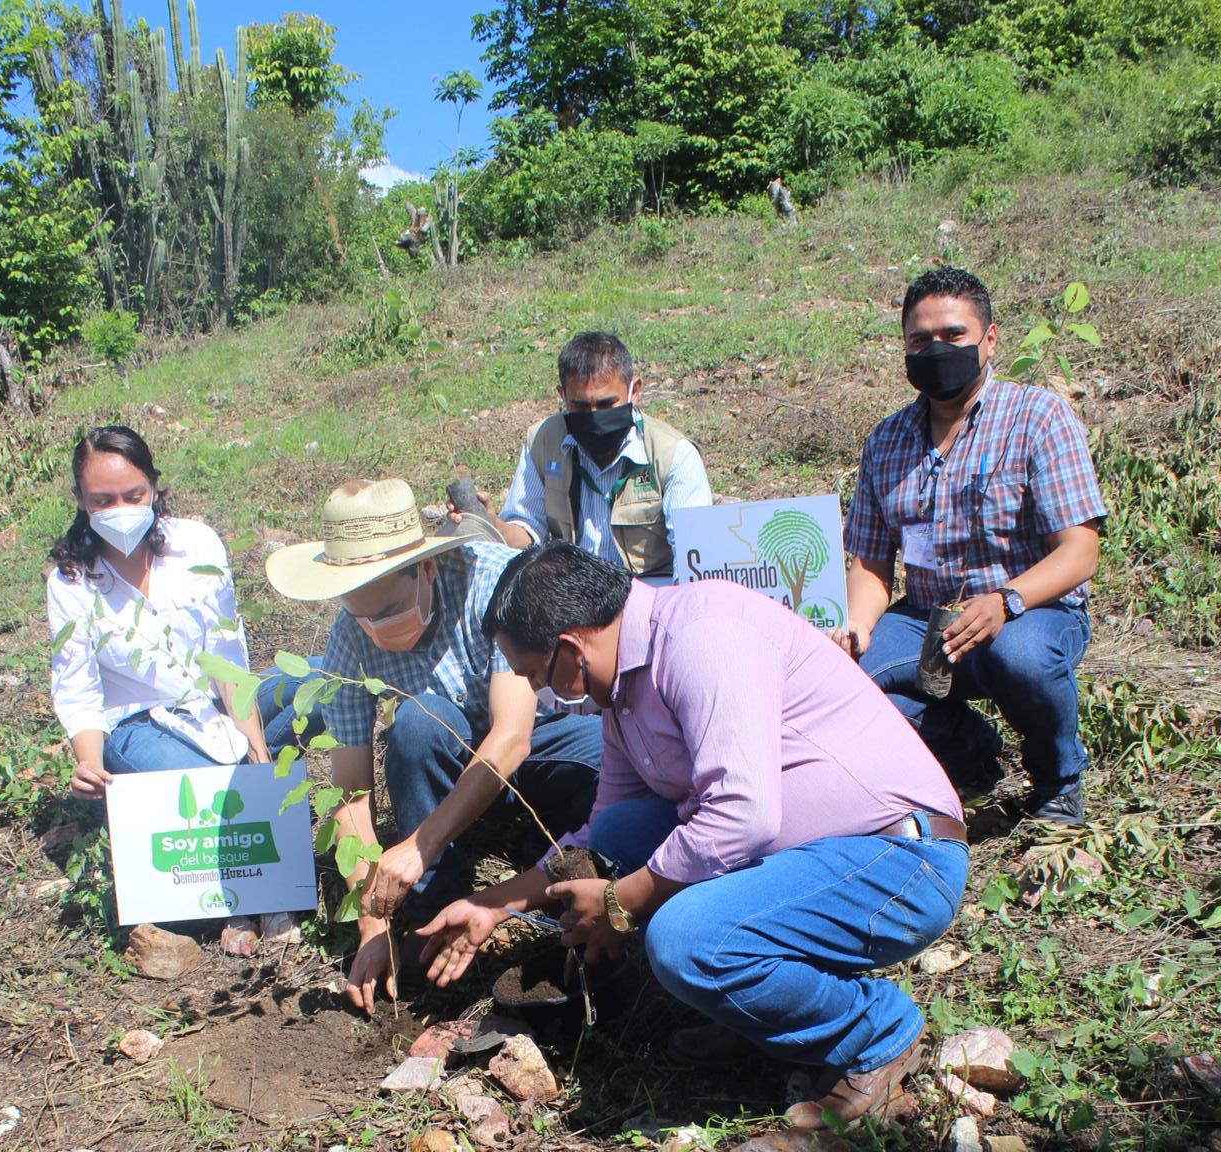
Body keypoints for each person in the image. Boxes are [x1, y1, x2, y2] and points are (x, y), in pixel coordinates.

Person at [418, 543, 969, 1129]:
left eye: (536, 675)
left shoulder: (702, 636)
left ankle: (876, 1030)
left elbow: (743, 813)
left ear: (572, 648)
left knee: (685, 939)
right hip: (815, 853)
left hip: (900, 858)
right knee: (623, 834)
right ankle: (758, 1016)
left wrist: (619, 902)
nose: (543, 693)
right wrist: (492, 904)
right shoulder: (623, 696)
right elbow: (606, 832)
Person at [265, 479, 602, 1015]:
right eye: (363, 615)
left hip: (532, 744)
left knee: (601, 759)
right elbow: (350, 790)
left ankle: (573, 881)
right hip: (443, 760)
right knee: (418, 725)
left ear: (425, 568)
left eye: (389, 608)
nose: (377, 627)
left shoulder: (490, 581)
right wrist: (372, 922)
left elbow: (512, 736)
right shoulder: (349, 638)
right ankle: (437, 915)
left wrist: (417, 846)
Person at [835, 267, 1105, 824]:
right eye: (920, 340)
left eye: (953, 336)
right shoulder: (887, 440)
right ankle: (972, 756)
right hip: (930, 620)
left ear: (989, 339)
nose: (936, 350)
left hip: (1031, 611)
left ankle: (1057, 781)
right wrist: (856, 628)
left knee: (1022, 658)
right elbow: (870, 562)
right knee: (845, 681)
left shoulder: (1037, 417)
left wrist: (1004, 600)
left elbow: (1080, 552)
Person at [47, 425, 317, 796]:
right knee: (200, 783)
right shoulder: (71, 583)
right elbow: (78, 690)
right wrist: (90, 765)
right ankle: (220, 785)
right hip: (139, 726)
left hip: (216, 706)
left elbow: (224, 656)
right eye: (103, 501)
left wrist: (258, 753)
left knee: (323, 681)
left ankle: (242, 774)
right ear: (80, 499)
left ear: (153, 487)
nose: (121, 511)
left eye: (133, 495)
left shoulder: (195, 545)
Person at [453, 331, 712, 584]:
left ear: (635, 391)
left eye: (606, 404)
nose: (594, 417)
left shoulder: (673, 454)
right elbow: (527, 533)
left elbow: (694, 560)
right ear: (562, 396)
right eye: (581, 406)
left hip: (648, 598)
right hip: (575, 598)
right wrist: (492, 524)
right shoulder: (543, 441)